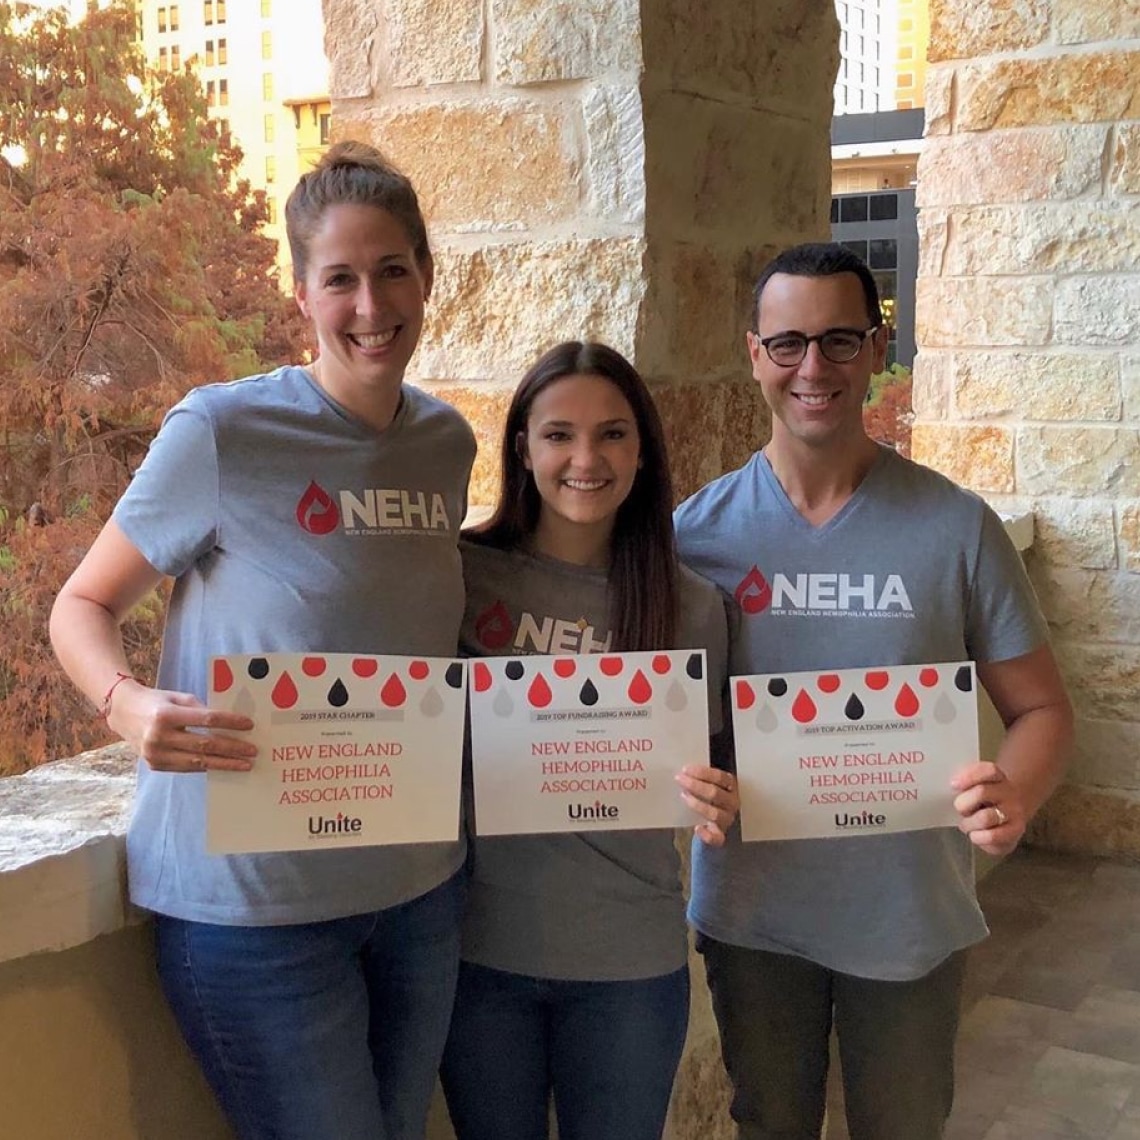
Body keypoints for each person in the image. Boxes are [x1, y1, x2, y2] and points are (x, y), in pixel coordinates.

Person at [49, 141, 476, 1140]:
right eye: (341, 280)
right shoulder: (223, 431)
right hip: (254, 912)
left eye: (393, 271)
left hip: (417, 896)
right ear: (301, 297)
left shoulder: (445, 442)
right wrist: (128, 704)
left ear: (427, 274)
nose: (371, 304)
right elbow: (80, 605)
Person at [673, 242, 1073, 1140]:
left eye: (839, 341)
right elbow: (654, 718)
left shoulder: (955, 526)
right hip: (753, 916)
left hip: (908, 919)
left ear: (877, 348)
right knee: (770, 1124)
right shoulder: (692, 536)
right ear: (754, 354)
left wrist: (1018, 793)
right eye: (788, 344)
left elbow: (1042, 709)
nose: (813, 368)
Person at [438, 341, 739, 1140]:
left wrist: (718, 797)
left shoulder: (693, 608)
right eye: (558, 434)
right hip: (479, 954)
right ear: (522, 449)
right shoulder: (460, 576)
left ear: (642, 451)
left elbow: (715, 773)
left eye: (611, 434)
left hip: (628, 965)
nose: (585, 458)